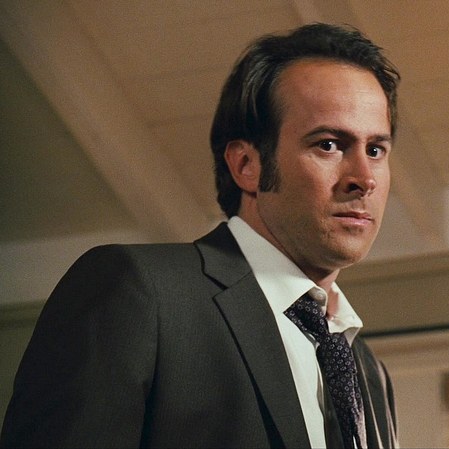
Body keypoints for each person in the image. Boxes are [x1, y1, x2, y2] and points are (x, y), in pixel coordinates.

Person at [0, 23, 400, 448]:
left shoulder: (368, 371)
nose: (364, 178)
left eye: (376, 150)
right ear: (247, 165)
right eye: (329, 144)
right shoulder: (140, 292)